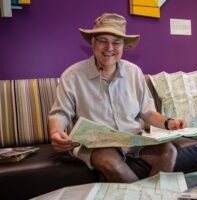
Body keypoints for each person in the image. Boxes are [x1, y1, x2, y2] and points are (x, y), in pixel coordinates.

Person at [48, 13, 186, 183]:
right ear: (93, 42)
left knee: (169, 152)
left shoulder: (134, 72)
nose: (109, 48)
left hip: (132, 139)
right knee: (110, 161)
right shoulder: (72, 76)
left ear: (123, 46)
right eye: (103, 41)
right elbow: (59, 114)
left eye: (116, 42)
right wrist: (55, 132)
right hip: (95, 144)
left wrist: (168, 123)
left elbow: (148, 113)